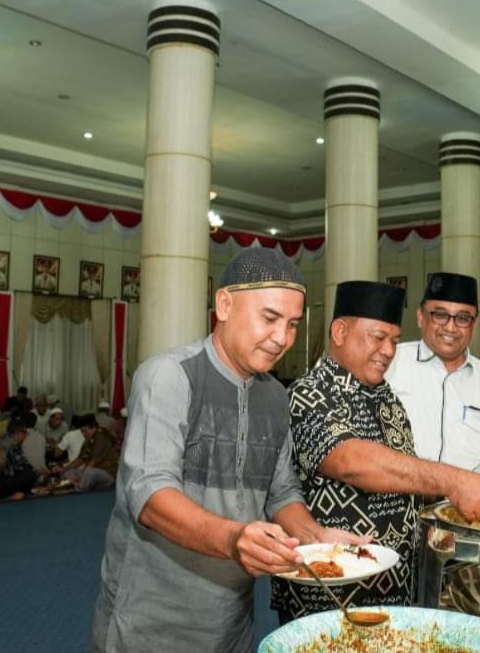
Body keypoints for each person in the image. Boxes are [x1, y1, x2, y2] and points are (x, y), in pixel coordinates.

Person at [91, 248, 365, 653]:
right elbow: (149, 494)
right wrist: (235, 538)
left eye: (292, 324)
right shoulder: (170, 376)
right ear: (224, 305)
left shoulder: (275, 397)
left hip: (231, 620)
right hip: (150, 618)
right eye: (269, 318)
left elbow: (281, 493)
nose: (282, 338)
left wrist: (318, 538)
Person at [271, 280, 480, 622]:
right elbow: (351, 460)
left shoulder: (387, 398)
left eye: (394, 340)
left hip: (397, 589)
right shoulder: (308, 393)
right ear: (340, 332)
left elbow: (403, 478)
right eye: (378, 337)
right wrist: (455, 481)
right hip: (330, 593)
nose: (388, 351)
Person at [385, 272, 480, 473]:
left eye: (463, 318)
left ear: (474, 324)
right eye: (440, 315)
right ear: (420, 317)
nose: (451, 327)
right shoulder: (389, 363)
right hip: (398, 491)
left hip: (467, 493)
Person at [0, 418, 37, 500]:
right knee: (31, 475)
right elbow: (24, 466)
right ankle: (18, 494)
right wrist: (39, 471)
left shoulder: (1, 439)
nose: (26, 436)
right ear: (19, 433)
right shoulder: (13, 445)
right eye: (25, 433)